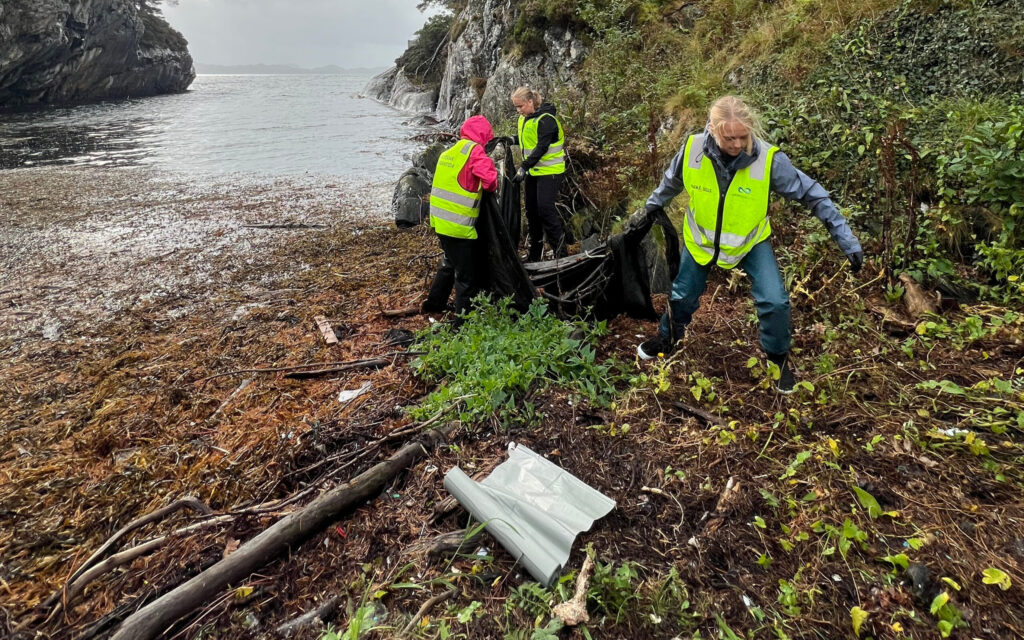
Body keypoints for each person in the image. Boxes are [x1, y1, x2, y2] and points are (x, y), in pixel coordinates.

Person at [637, 95, 864, 393]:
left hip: (750, 241)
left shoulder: (769, 160)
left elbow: (813, 194)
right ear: (712, 129)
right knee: (681, 297)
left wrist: (846, 240)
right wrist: (645, 213)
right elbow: (669, 184)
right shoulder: (692, 150)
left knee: (775, 301)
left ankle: (778, 361)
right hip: (701, 242)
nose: (736, 144)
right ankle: (667, 341)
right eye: (729, 137)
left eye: (742, 136)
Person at [428, 115, 499, 318]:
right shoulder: (474, 151)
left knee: (449, 262)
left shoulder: (449, 151)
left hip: (440, 222)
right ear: (484, 136)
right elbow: (490, 180)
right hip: (459, 225)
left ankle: (435, 303)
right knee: (467, 276)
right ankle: (464, 320)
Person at [510, 86, 568, 261]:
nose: (518, 111)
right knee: (531, 211)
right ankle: (534, 254)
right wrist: (510, 140)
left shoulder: (546, 120)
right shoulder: (524, 119)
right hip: (534, 172)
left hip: (550, 172)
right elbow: (526, 139)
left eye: (520, 106)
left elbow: (542, 147)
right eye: (516, 107)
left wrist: (523, 167)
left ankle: (561, 254)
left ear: (530, 102)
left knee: (545, 210)